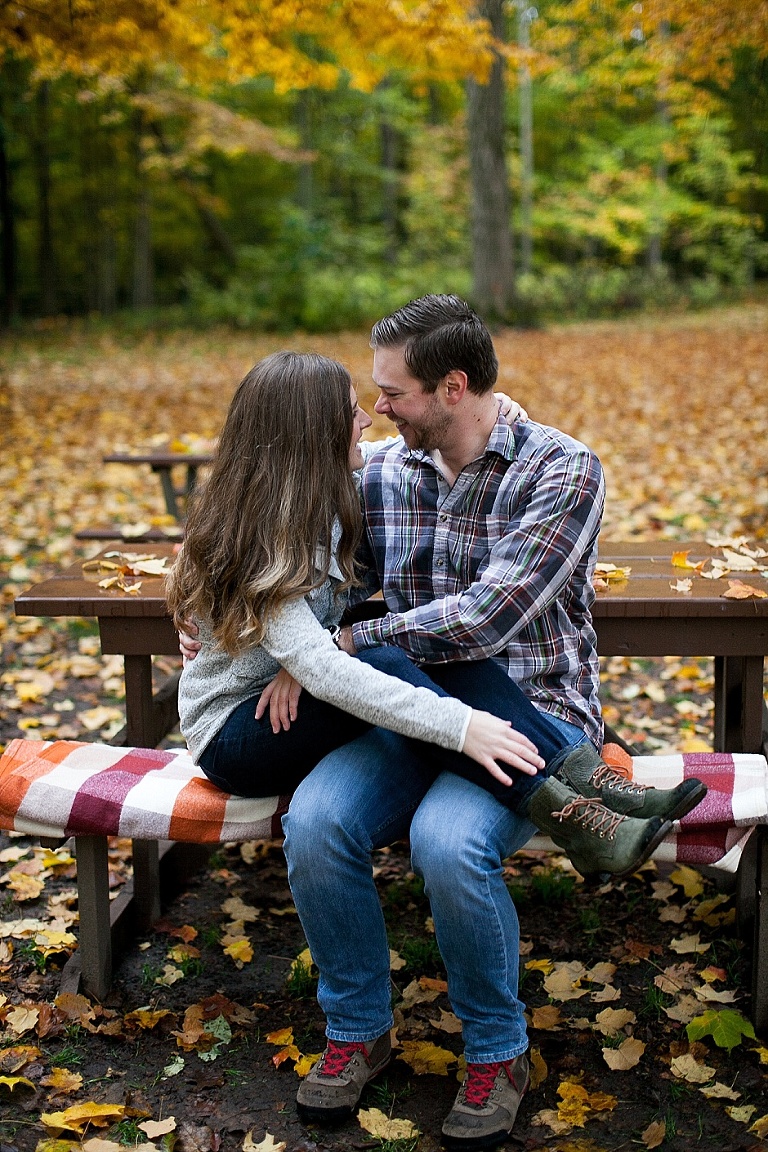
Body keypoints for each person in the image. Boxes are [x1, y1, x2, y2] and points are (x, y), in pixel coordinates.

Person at [268, 296, 705, 1151]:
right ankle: (359, 1028)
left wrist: (344, 639)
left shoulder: (561, 469)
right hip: (404, 711)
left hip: (528, 711)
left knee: (446, 840)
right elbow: (286, 552)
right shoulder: (381, 475)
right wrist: (223, 615)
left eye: (393, 392)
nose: (379, 407)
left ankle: (498, 1051)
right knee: (315, 820)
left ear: (453, 386)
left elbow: (485, 621)